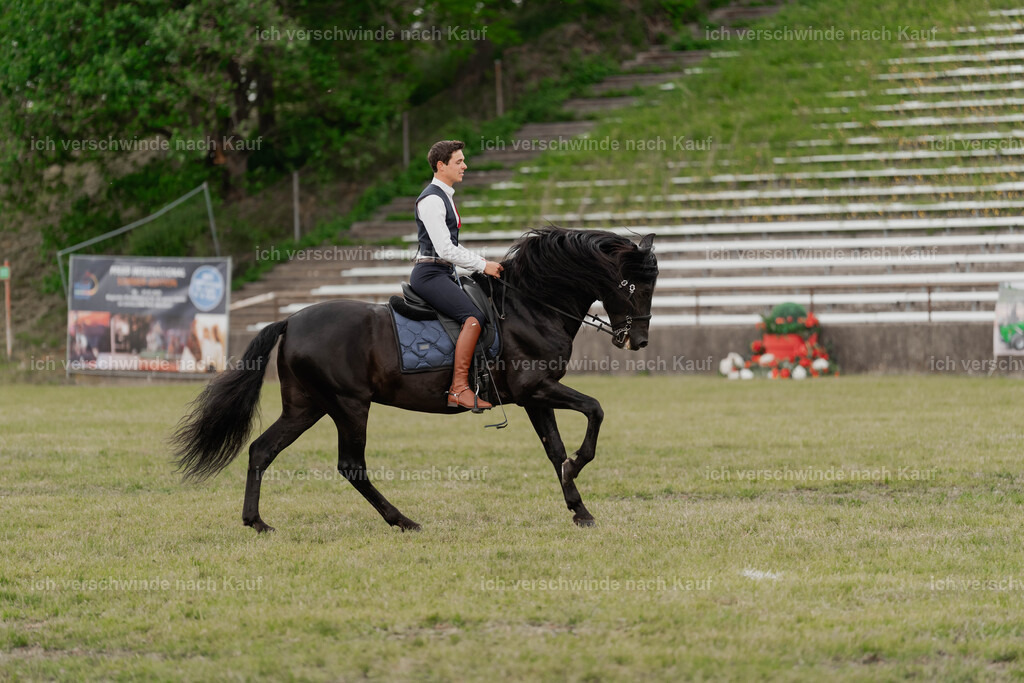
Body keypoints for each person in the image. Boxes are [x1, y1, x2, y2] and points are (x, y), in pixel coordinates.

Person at [410, 140, 504, 410]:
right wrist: (481, 264)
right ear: (441, 166)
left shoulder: (445, 195)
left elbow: (451, 246)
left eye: (463, 161)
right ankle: (459, 388)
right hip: (430, 274)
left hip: (442, 271)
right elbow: (444, 248)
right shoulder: (431, 199)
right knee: (473, 318)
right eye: (459, 162)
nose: (465, 166)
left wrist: (482, 263)